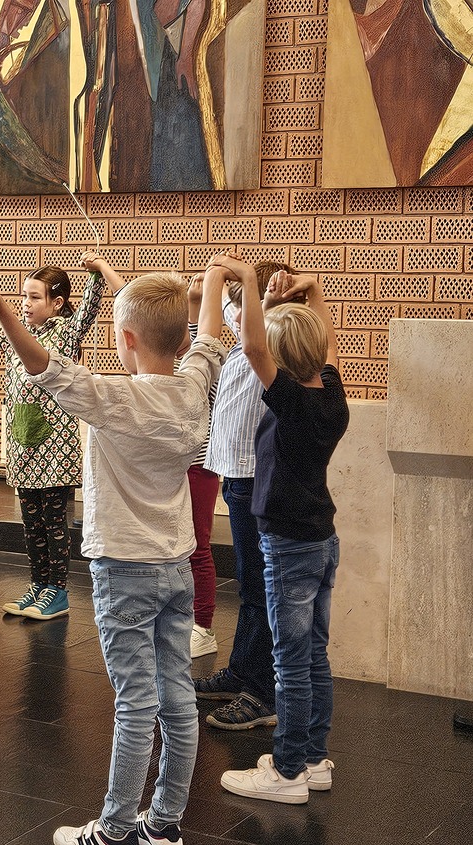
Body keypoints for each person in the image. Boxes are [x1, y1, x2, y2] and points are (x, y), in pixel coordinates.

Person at [0, 259, 227, 845]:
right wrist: (217, 279)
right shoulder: (195, 386)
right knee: (176, 699)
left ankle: (114, 830)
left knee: (136, 703)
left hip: (124, 569)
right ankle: (163, 823)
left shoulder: (117, 398)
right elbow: (211, 342)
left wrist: (5, 311)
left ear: (126, 339)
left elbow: (43, 366)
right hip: (176, 567)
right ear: (181, 340)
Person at [217, 259, 347, 804]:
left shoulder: (290, 401)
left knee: (291, 663)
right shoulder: (331, 398)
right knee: (314, 655)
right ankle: (314, 759)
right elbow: (328, 346)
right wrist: (314, 292)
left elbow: (252, 348)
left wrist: (250, 284)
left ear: (282, 360)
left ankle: (289, 770)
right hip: (322, 541)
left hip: (289, 546)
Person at [193, 261, 303, 731]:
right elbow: (224, 308)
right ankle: (242, 670)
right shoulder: (241, 340)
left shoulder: (272, 347)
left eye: (249, 306)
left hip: (257, 480)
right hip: (237, 478)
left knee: (260, 586)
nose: (237, 315)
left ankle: (263, 691)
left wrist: (265, 296)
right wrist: (218, 281)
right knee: (249, 583)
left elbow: (257, 326)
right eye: (237, 307)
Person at [0, 251, 123, 621]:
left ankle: (57, 591)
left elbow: (89, 311)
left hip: (54, 450)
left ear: (56, 303)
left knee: (53, 523)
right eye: (24, 296)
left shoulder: (65, 332)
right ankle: (38, 584)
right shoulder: (18, 335)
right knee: (31, 525)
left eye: (35, 297)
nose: (26, 304)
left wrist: (97, 272)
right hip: (23, 445)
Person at [184, 274, 221, 659]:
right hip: (178, 465)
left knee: (198, 546)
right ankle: (184, 618)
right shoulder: (176, 363)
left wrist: (202, 297)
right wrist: (195, 300)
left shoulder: (204, 364)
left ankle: (203, 626)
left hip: (200, 466)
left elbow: (204, 339)